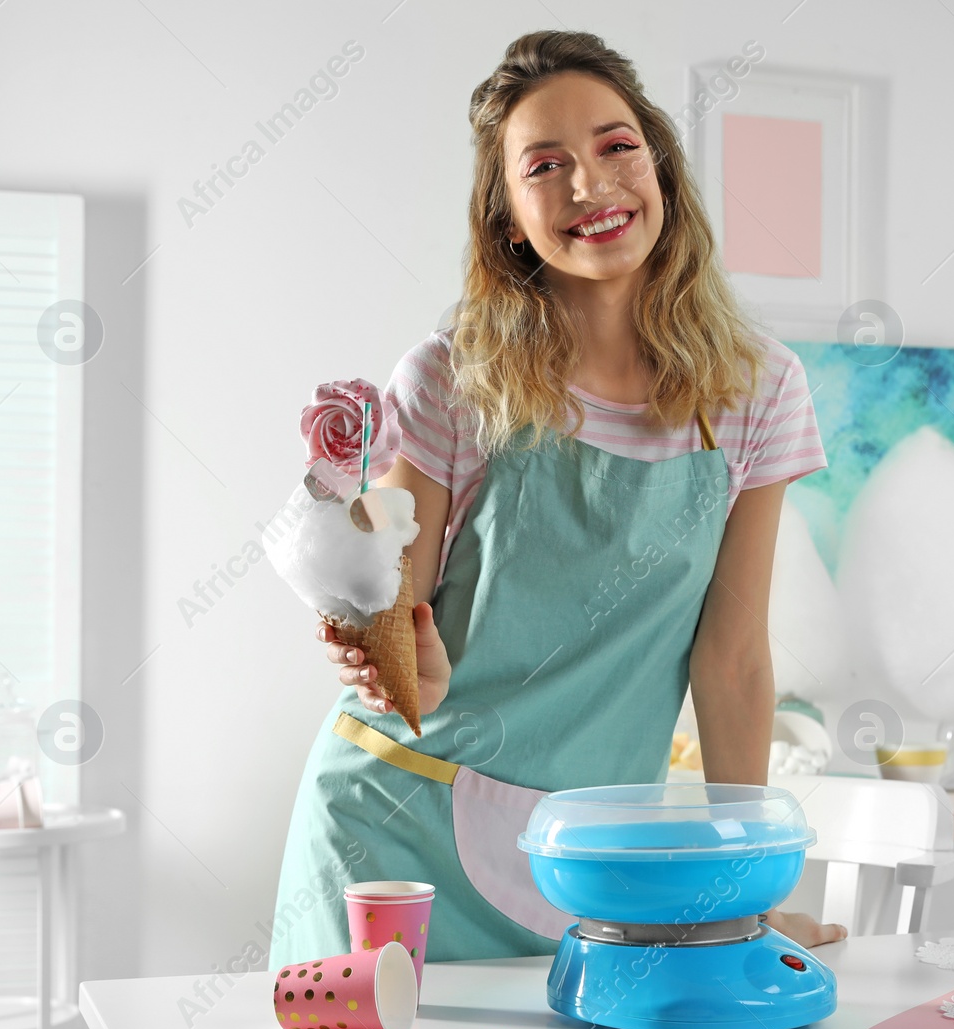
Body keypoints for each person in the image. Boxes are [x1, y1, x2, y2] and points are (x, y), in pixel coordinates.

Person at [269, 29, 845, 968]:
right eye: (547, 165)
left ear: (659, 167)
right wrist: (389, 654)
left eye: (617, 146)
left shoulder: (758, 391)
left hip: (587, 859)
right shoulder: (452, 379)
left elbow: (732, 659)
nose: (592, 183)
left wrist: (742, 892)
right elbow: (405, 631)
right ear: (508, 220)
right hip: (394, 833)